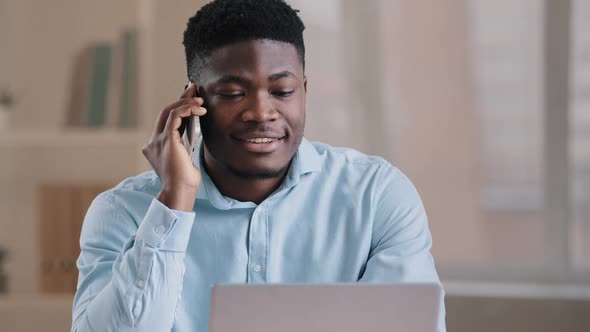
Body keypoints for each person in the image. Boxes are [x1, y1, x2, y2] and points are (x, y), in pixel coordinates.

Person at [71, 0, 446, 331]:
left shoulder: (376, 196)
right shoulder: (122, 213)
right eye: (234, 94)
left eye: (282, 92)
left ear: (304, 91)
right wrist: (175, 200)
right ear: (193, 100)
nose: (261, 113)